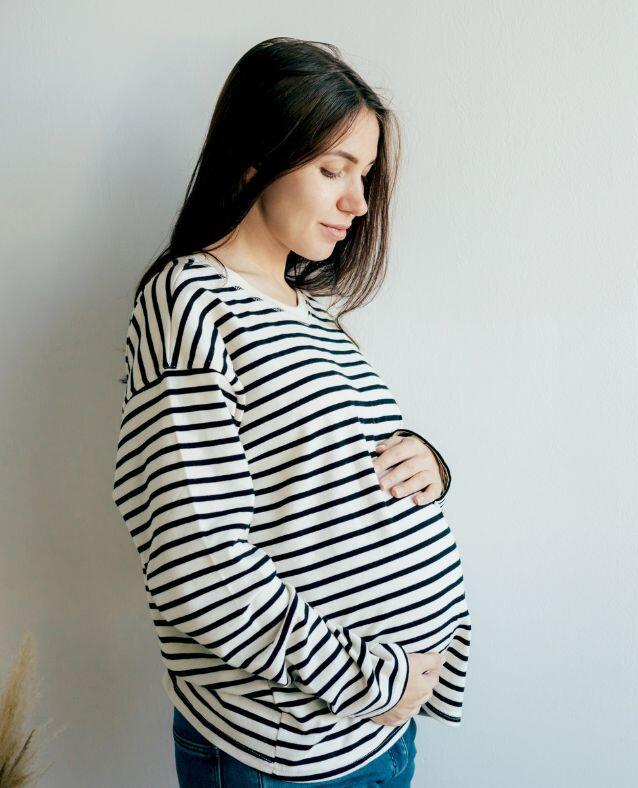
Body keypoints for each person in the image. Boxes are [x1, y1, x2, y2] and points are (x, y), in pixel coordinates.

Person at [110, 37, 472, 786]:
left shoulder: (311, 316)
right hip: (288, 749)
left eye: (364, 175)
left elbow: (316, 472)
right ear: (254, 157)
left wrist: (429, 465)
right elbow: (197, 563)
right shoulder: (189, 301)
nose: (358, 201)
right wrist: (370, 678)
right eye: (332, 169)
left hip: (371, 733)